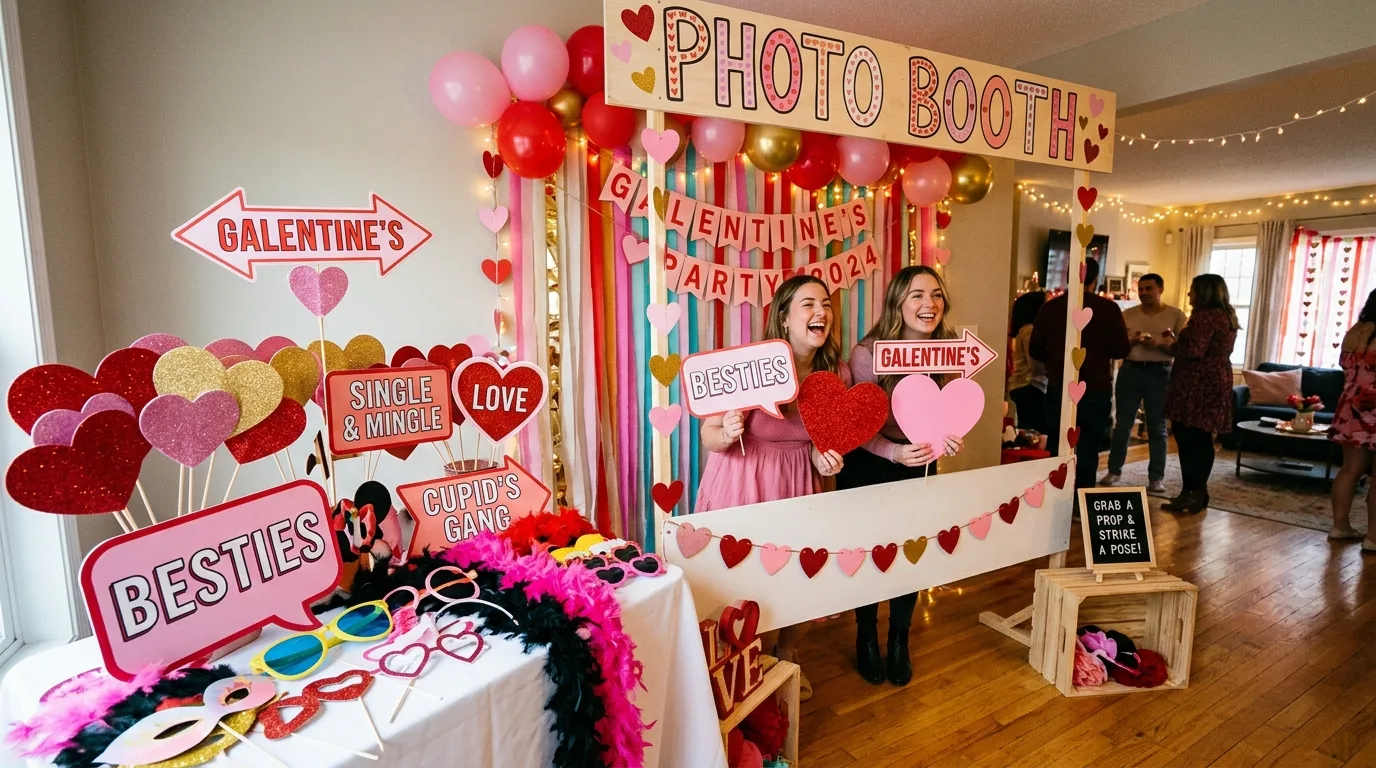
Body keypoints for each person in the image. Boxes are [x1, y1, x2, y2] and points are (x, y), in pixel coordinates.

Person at [695, 274, 846, 700]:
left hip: (799, 482)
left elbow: (824, 441)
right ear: (784, 318)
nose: (821, 312)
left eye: (827, 305)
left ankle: (788, 652)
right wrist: (724, 430)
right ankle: (742, 660)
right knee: (739, 580)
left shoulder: (835, 373)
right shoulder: (750, 366)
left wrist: (823, 457)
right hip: (743, 479)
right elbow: (708, 437)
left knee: (799, 576)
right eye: (809, 304)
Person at [843, 266, 965, 687]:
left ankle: (899, 640)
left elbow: (943, 410)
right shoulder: (867, 353)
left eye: (936, 294)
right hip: (871, 463)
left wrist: (949, 436)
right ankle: (866, 637)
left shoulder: (946, 349)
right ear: (897, 301)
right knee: (870, 553)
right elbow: (857, 427)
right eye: (917, 295)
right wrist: (894, 452)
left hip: (921, 463)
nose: (928, 304)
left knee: (910, 554)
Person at [1029, 257, 1130, 490]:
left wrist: (1057, 358)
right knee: (1088, 445)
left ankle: (1057, 497)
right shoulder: (1108, 309)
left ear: (1066, 277)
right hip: (1095, 387)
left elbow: (1036, 349)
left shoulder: (1051, 308)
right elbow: (1120, 349)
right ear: (1095, 280)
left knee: (1058, 443)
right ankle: (1081, 498)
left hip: (1059, 385)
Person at [1159, 274, 1239, 514]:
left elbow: (1194, 350)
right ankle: (1198, 491)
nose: (1189, 294)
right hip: (1217, 378)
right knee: (1203, 438)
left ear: (1203, 293)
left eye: (1192, 290)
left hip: (1197, 382)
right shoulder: (1226, 316)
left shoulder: (1204, 317)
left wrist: (1169, 344)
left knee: (1188, 436)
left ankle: (1190, 492)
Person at [1102, 274, 1187, 494]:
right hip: (1131, 369)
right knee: (1123, 424)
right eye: (1140, 289)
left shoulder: (1175, 315)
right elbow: (1116, 345)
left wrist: (1161, 343)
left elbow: (1182, 350)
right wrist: (1132, 340)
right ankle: (1114, 471)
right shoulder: (1127, 314)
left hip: (1161, 372)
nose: (1144, 293)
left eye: (1149, 288)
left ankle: (1156, 478)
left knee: (1157, 427)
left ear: (1160, 288)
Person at [1329, 288, 1376, 550]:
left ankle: (1340, 526)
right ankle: (1373, 538)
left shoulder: (1355, 331)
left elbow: (1345, 366)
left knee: (1349, 470)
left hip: (1352, 404)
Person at [1007, 291, 1049, 434]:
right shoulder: (1029, 331)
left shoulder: (1023, 331)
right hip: (1029, 385)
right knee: (1037, 431)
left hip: (1024, 385)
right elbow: (1035, 364)